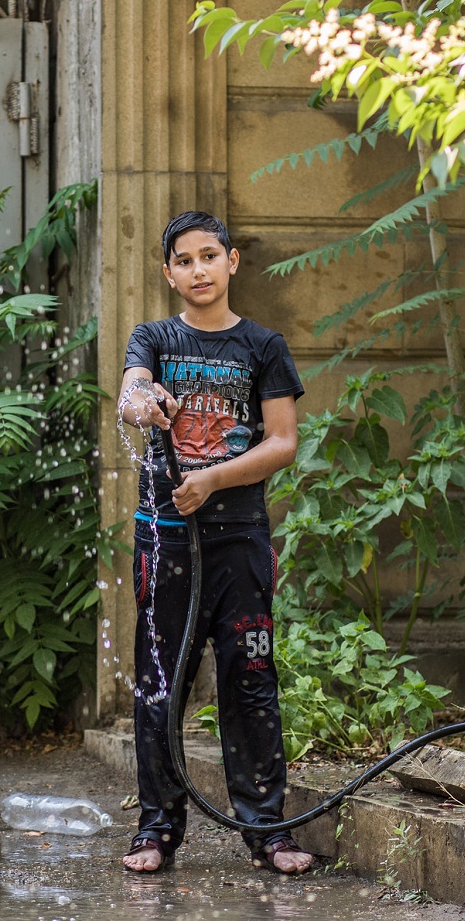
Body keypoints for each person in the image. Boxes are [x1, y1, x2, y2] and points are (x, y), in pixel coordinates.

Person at [115, 211, 312, 875]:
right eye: (183, 260)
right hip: (166, 543)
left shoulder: (263, 345)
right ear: (168, 272)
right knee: (158, 686)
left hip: (240, 544)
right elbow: (130, 393)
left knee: (251, 680)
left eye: (209, 256)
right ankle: (156, 830)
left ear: (232, 262)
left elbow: (282, 442)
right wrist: (143, 402)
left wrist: (214, 478)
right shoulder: (154, 338)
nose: (198, 270)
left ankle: (269, 832)